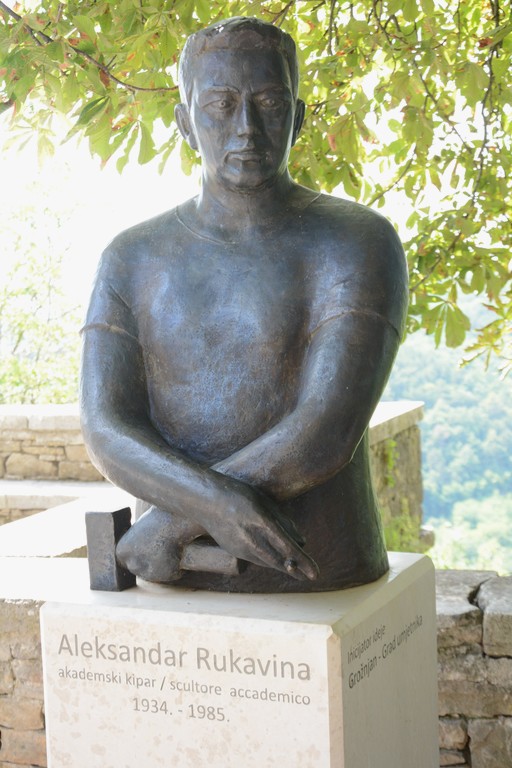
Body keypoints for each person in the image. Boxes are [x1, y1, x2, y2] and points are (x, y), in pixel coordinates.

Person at [80, 17, 408, 592]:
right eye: (221, 105)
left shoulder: (356, 242)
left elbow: (327, 427)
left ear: (297, 118)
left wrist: (172, 526)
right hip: (176, 578)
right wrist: (216, 504)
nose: (247, 129)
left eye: (270, 103)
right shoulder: (131, 257)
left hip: (318, 568)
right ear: (185, 122)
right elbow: (105, 425)